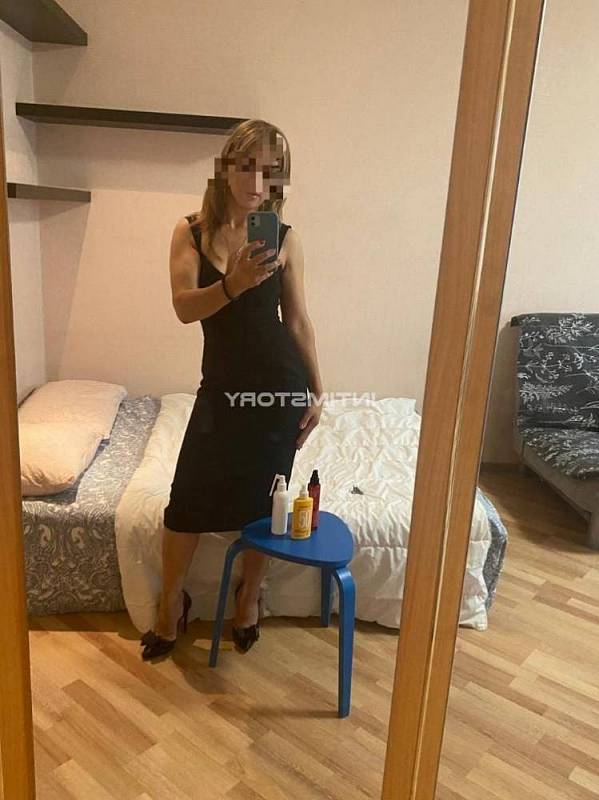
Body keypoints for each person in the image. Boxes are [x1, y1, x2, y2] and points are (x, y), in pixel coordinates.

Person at [141, 119, 323, 660]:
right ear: (226, 167)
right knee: (186, 501)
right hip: (220, 390)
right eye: (248, 166)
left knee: (265, 504)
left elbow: (297, 321)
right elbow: (183, 308)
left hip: (278, 392)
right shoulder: (191, 232)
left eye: (271, 171)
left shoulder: (284, 238)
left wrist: (317, 389)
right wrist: (232, 285)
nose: (257, 182)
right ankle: (170, 603)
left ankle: (248, 597)